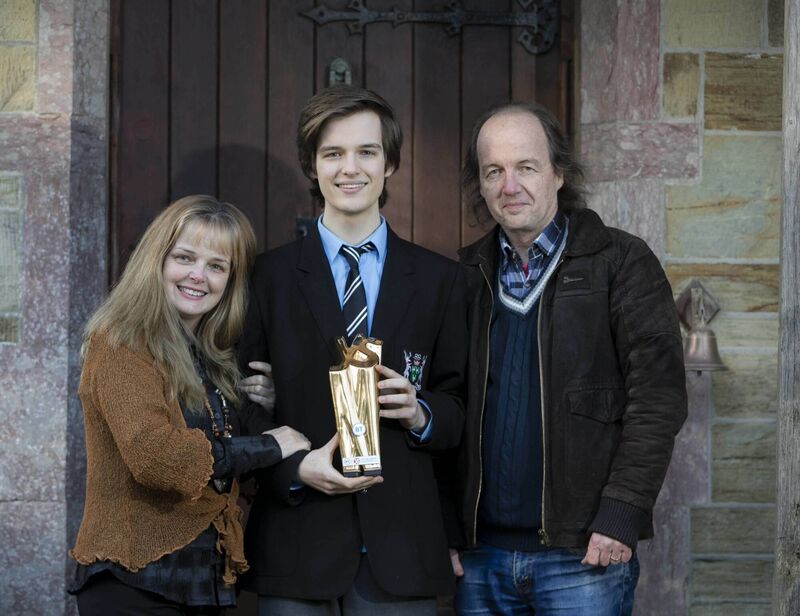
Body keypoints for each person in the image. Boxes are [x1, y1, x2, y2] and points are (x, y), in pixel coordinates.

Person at [236, 86, 468, 615]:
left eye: (367, 152)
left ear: (390, 164)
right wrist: (292, 469)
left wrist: (420, 411)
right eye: (332, 153)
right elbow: (242, 404)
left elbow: (461, 410)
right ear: (312, 165)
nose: (350, 168)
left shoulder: (441, 281)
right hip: (296, 543)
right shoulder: (266, 277)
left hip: (402, 548)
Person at [450, 102, 688, 615]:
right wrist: (447, 528)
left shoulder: (620, 263)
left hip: (582, 556)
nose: (509, 185)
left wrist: (621, 513)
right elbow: (445, 404)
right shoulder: (465, 275)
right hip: (481, 559)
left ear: (559, 172)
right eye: (494, 171)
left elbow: (658, 399)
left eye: (526, 167)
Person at [68, 195, 310, 615]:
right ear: (156, 261)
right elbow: (155, 457)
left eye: (217, 266)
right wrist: (270, 445)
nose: (199, 276)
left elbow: (227, 472)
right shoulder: (121, 341)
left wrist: (262, 410)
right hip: (133, 583)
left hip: (206, 583)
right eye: (185, 257)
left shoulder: (215, 358)